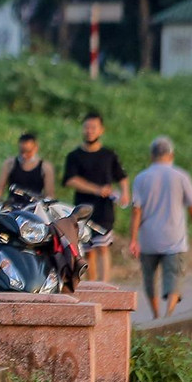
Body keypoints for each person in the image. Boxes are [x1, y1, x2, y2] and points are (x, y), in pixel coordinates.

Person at [128, 136, 192, 319]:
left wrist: (133, 239)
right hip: (174, 239)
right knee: (175, 277)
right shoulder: (181, 176)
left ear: (152, 155)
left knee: (149, 278)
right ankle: (168, 315)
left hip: (148, 238)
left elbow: (136, 211)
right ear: (171, 155)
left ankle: (155, 315)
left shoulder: (141, 178)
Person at [63, 111, 129, 282]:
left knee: (103, 247)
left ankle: (104, 284)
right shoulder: (74, 156)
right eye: (86, 128)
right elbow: (71, 180)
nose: (89, 131)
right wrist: (96, 189)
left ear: (101, 130)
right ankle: (92, 285)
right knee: (87, 250)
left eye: (93, 128)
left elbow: (122, 176)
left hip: (104, 210)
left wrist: (125, 194)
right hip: (82, 209)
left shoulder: (109, 155)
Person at [0, 132, 54, 199]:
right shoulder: (10, 164)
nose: (24, 156)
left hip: (34, 207)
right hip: (13, 205)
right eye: (22, 151)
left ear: (35, 148)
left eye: (28, 152)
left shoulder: (45, 167)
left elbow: (49, 194)